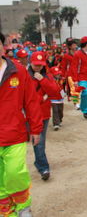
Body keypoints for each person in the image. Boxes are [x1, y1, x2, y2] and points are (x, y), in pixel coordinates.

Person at [0, 32, 43, 217]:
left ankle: (23, 206)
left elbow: (31, 102)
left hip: (14, 133)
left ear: (3, 46)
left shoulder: (17, 70)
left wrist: (36, 129)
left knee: (15, 173)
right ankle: (6, 210)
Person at [28, 51, 60, 181]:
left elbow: (55, 92)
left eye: (40, 65)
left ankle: (40, 163)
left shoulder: (47, 75)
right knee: (38, 140)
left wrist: (43, 81)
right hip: (31, 114)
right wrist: (42, 97)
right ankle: (43, 167)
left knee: (40, 141)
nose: (38, 67)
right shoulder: (24, 75)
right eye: (36, 65)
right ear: (31, 63)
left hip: (44, 113)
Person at [69, 36, 87, 119]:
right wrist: (75, 80)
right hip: (82, 78)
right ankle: (85, 110)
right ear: (86, 44)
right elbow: (74, 67)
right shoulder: (78, 54)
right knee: (86, 93)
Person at [49, 66, 65, 131]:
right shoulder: (50, 81)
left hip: (60, 98)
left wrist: (64, 94)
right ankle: (56, 124)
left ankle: (60, 120)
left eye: (58, 73)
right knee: (55, 111)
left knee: (60, 111)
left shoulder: (61, 80)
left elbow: (62, 88)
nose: (58, 75)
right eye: (56, 74)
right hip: (53, 99)